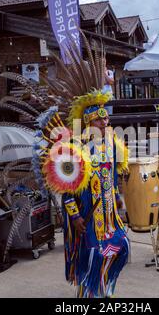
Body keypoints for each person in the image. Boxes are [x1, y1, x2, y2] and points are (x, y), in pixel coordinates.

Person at [39, 38, 130, 298]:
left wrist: (119, 199)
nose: (105, 123)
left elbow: (112, 178)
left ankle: (105, 289)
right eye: (100, 121)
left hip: (110, 214)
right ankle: (90, 295)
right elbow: (66, 190)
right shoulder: (75, 148)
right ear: (89, 122)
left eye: (106, 119)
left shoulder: (112, 144)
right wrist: (75, 216)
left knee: (120, 247)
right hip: (87, 216)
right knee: (92, 256)